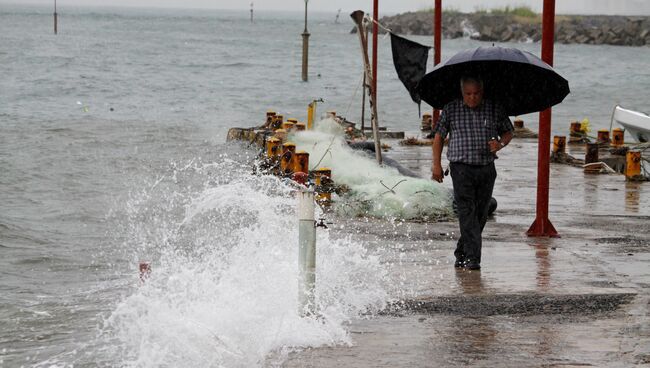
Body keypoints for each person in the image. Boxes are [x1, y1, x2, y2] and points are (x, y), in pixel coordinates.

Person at [431, 76, 514, 270]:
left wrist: (499, 144)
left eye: (476, 93)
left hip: (486, 168)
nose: (472, 98)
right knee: (466, 212)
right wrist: (436, 165)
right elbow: (439, 137)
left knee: (480, 215)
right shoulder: (451, 109)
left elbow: (509, 131)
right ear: (462, 93)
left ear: (482, 92)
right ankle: (472, 258)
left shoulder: (494, 108)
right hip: (461, 168)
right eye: (468, 94)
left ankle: (462, 251)